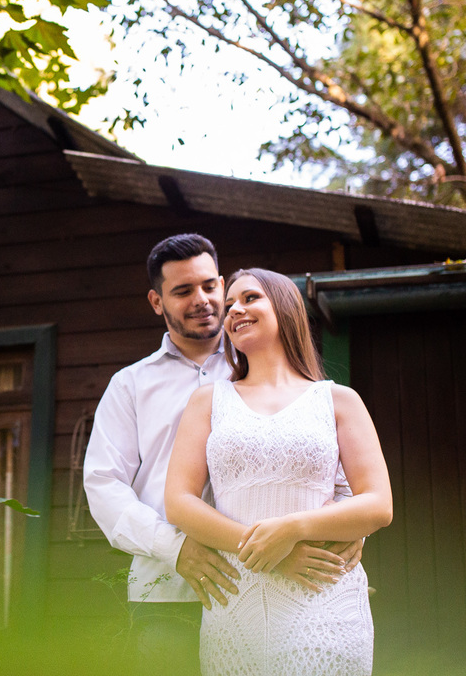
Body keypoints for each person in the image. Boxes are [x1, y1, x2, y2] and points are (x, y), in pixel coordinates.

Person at [84, 236, 361, 674]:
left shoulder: (268, 365)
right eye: (182, 291)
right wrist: (176, 549)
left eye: (210, 286)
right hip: (170, 591)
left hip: (287, 580)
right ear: (157, 301)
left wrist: (345, 529)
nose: (204, 301)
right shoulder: (130, 385)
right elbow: (103, 485)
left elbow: (332, 472)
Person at [165, 267, 393, 676]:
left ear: (286, 308)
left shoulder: (338, 400)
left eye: (250, 298)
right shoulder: (207, 402)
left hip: (325, 601)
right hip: (237, 599)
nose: (235, 309)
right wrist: (262, 550)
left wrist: (291, 529)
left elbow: (378, 504)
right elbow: (179, 503)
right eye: (230, 303)